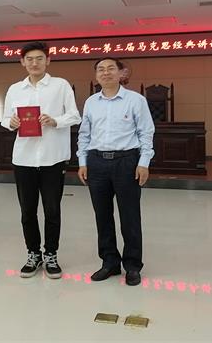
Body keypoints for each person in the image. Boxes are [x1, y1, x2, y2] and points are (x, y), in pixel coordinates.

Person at [1, 41, 81, 279]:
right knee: (27, 211)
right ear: (22, 62)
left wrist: (55, 121)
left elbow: (74, 116)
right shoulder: (15, 89)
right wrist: (11, 123)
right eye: (29, 59)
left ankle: (51, 254)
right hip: (24, 158)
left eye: (39, 58)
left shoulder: (60, 85)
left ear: (48, 61)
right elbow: (5, 118)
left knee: (52, 210)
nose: (34, 63)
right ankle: (33, 253)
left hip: (52, 158)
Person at [77, 57, 155, 286]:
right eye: (101, 69)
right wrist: (83, 161)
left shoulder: (136, 100)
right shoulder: (91, 102)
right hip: (97, 162)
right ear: (96, 76)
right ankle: (109, 262)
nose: (106, 72)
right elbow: (84, 134)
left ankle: (132, 265)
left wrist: (144, 162)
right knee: (102, 216)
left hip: (126, 162)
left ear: (122, 73)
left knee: (130, 216)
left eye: (111, 68)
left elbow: (146, 132)